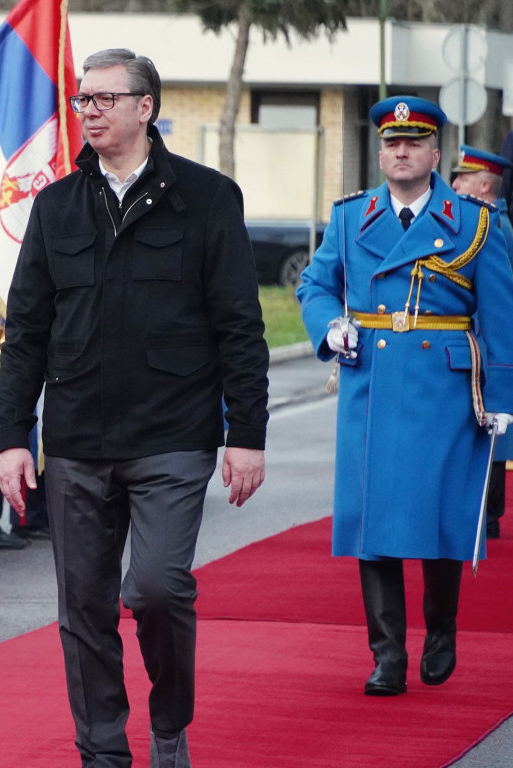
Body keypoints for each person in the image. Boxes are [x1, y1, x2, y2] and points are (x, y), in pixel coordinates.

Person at [0, 48, 268, 768]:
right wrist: (12, 436)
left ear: (145, 106)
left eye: (104, 99)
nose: (88, 111)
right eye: (82, 100)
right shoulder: (55, 207)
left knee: (154, 587)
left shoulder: (207, 198)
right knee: (83, 609)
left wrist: (247, 433)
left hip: (172, 434)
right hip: (79, 437)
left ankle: (169, 720)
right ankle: (104, 752)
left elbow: (240, 324)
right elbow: (25, 331)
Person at [297, 98, 513, 697]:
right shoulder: (350, 218)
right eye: (392, 143)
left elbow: (500, 314)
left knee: (440, 517)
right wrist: (328, 326)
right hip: (373, 382)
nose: (401, 152)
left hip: (445, 388)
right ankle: (386, 654)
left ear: (435, 153)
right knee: (375, 522)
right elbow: (314, 283)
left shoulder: (474, 223)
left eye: (414, 142)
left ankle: (441, 630)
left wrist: (502, 398)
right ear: (381, 151)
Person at [450, 144, 513, 540]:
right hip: (482, 341)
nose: (455, 184)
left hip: (487, 344)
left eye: (463, 178)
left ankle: (485, 515)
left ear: (485, 184)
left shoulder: (494, 227)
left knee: (486, 429)